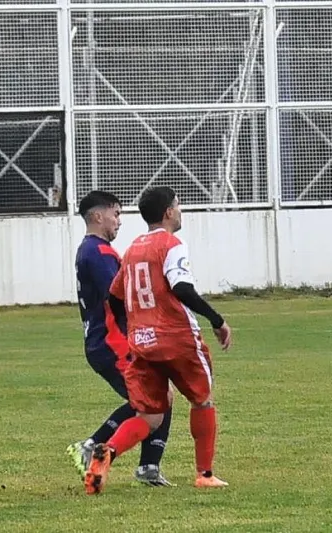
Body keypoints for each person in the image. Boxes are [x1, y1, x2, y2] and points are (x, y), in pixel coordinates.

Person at [83, 186, 233, 494]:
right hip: (177, 338)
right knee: (202, 400)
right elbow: (182, 288)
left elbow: (113, 297)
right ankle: (205, 474)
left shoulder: (133, 249)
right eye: (178, 207)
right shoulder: (172, 244)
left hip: (142, 341)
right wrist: (217, 320)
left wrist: (135, 327)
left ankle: (107, 452)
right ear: (168, 212)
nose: (179, 212)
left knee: (150, 415)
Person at [66, 190, 173, 487]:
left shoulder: (91, 250)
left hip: (108, 342)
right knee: (152, 400)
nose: (119, 222)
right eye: (116, 214)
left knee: (158, 397)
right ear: (98, 216)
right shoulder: (98, 253)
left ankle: (148, 466)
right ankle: (94, 446)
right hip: (114, 343)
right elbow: (121, 297)